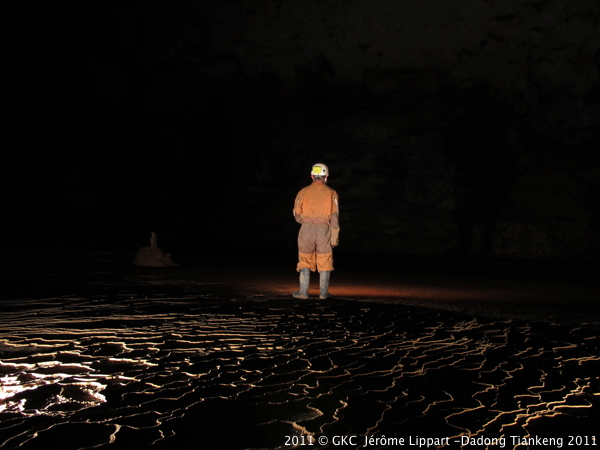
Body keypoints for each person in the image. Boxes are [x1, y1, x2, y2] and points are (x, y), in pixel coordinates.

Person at [292, 163, 340, 299]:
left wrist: (306, 221)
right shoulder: (332, 193)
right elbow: (335, 218)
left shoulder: (303, 192)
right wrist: (334, 238)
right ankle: (323, 293)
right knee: (325, 259)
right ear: (326, 177)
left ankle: (303, 292)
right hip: (324, 229)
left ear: (312, 176)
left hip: (306, 228)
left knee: (305, 258)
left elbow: (296, 213)